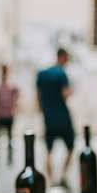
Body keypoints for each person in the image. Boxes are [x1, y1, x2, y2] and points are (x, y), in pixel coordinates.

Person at [36, 47, 74, 184]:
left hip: (49, 117)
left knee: (48, 150)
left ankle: (51, 180)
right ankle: (63, 176)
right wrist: (72, 90)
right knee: (70, 147)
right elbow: (65, 94)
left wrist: (44, 111)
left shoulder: (42, 74)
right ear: (63, 57)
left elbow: (38, 96)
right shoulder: (62, 74)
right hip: (63, 117)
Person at [0, 64, 20, 162]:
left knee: (9, 137)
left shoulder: (11, 87)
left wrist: (15, 108)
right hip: (1, 115)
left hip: (8, 115)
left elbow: (17, 97)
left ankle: (9, 157)